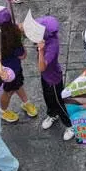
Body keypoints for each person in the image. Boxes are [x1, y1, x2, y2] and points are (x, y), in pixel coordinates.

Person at [26, 12, 74, 141]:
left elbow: (42, 67)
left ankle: (69, 125)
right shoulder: (44, 39)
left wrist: (41, 50)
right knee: (48, 97)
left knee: (59, 102)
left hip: (53, 79)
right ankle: (52, 114)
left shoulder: (52, 46)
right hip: (46, 77)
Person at [0, 7, 38, 123]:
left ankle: (26, 103)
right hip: (10, 72)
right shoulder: (15, 34)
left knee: (18, 85)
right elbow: (22, 55)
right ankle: (3, 111)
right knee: (8, 92)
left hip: (5, 71)